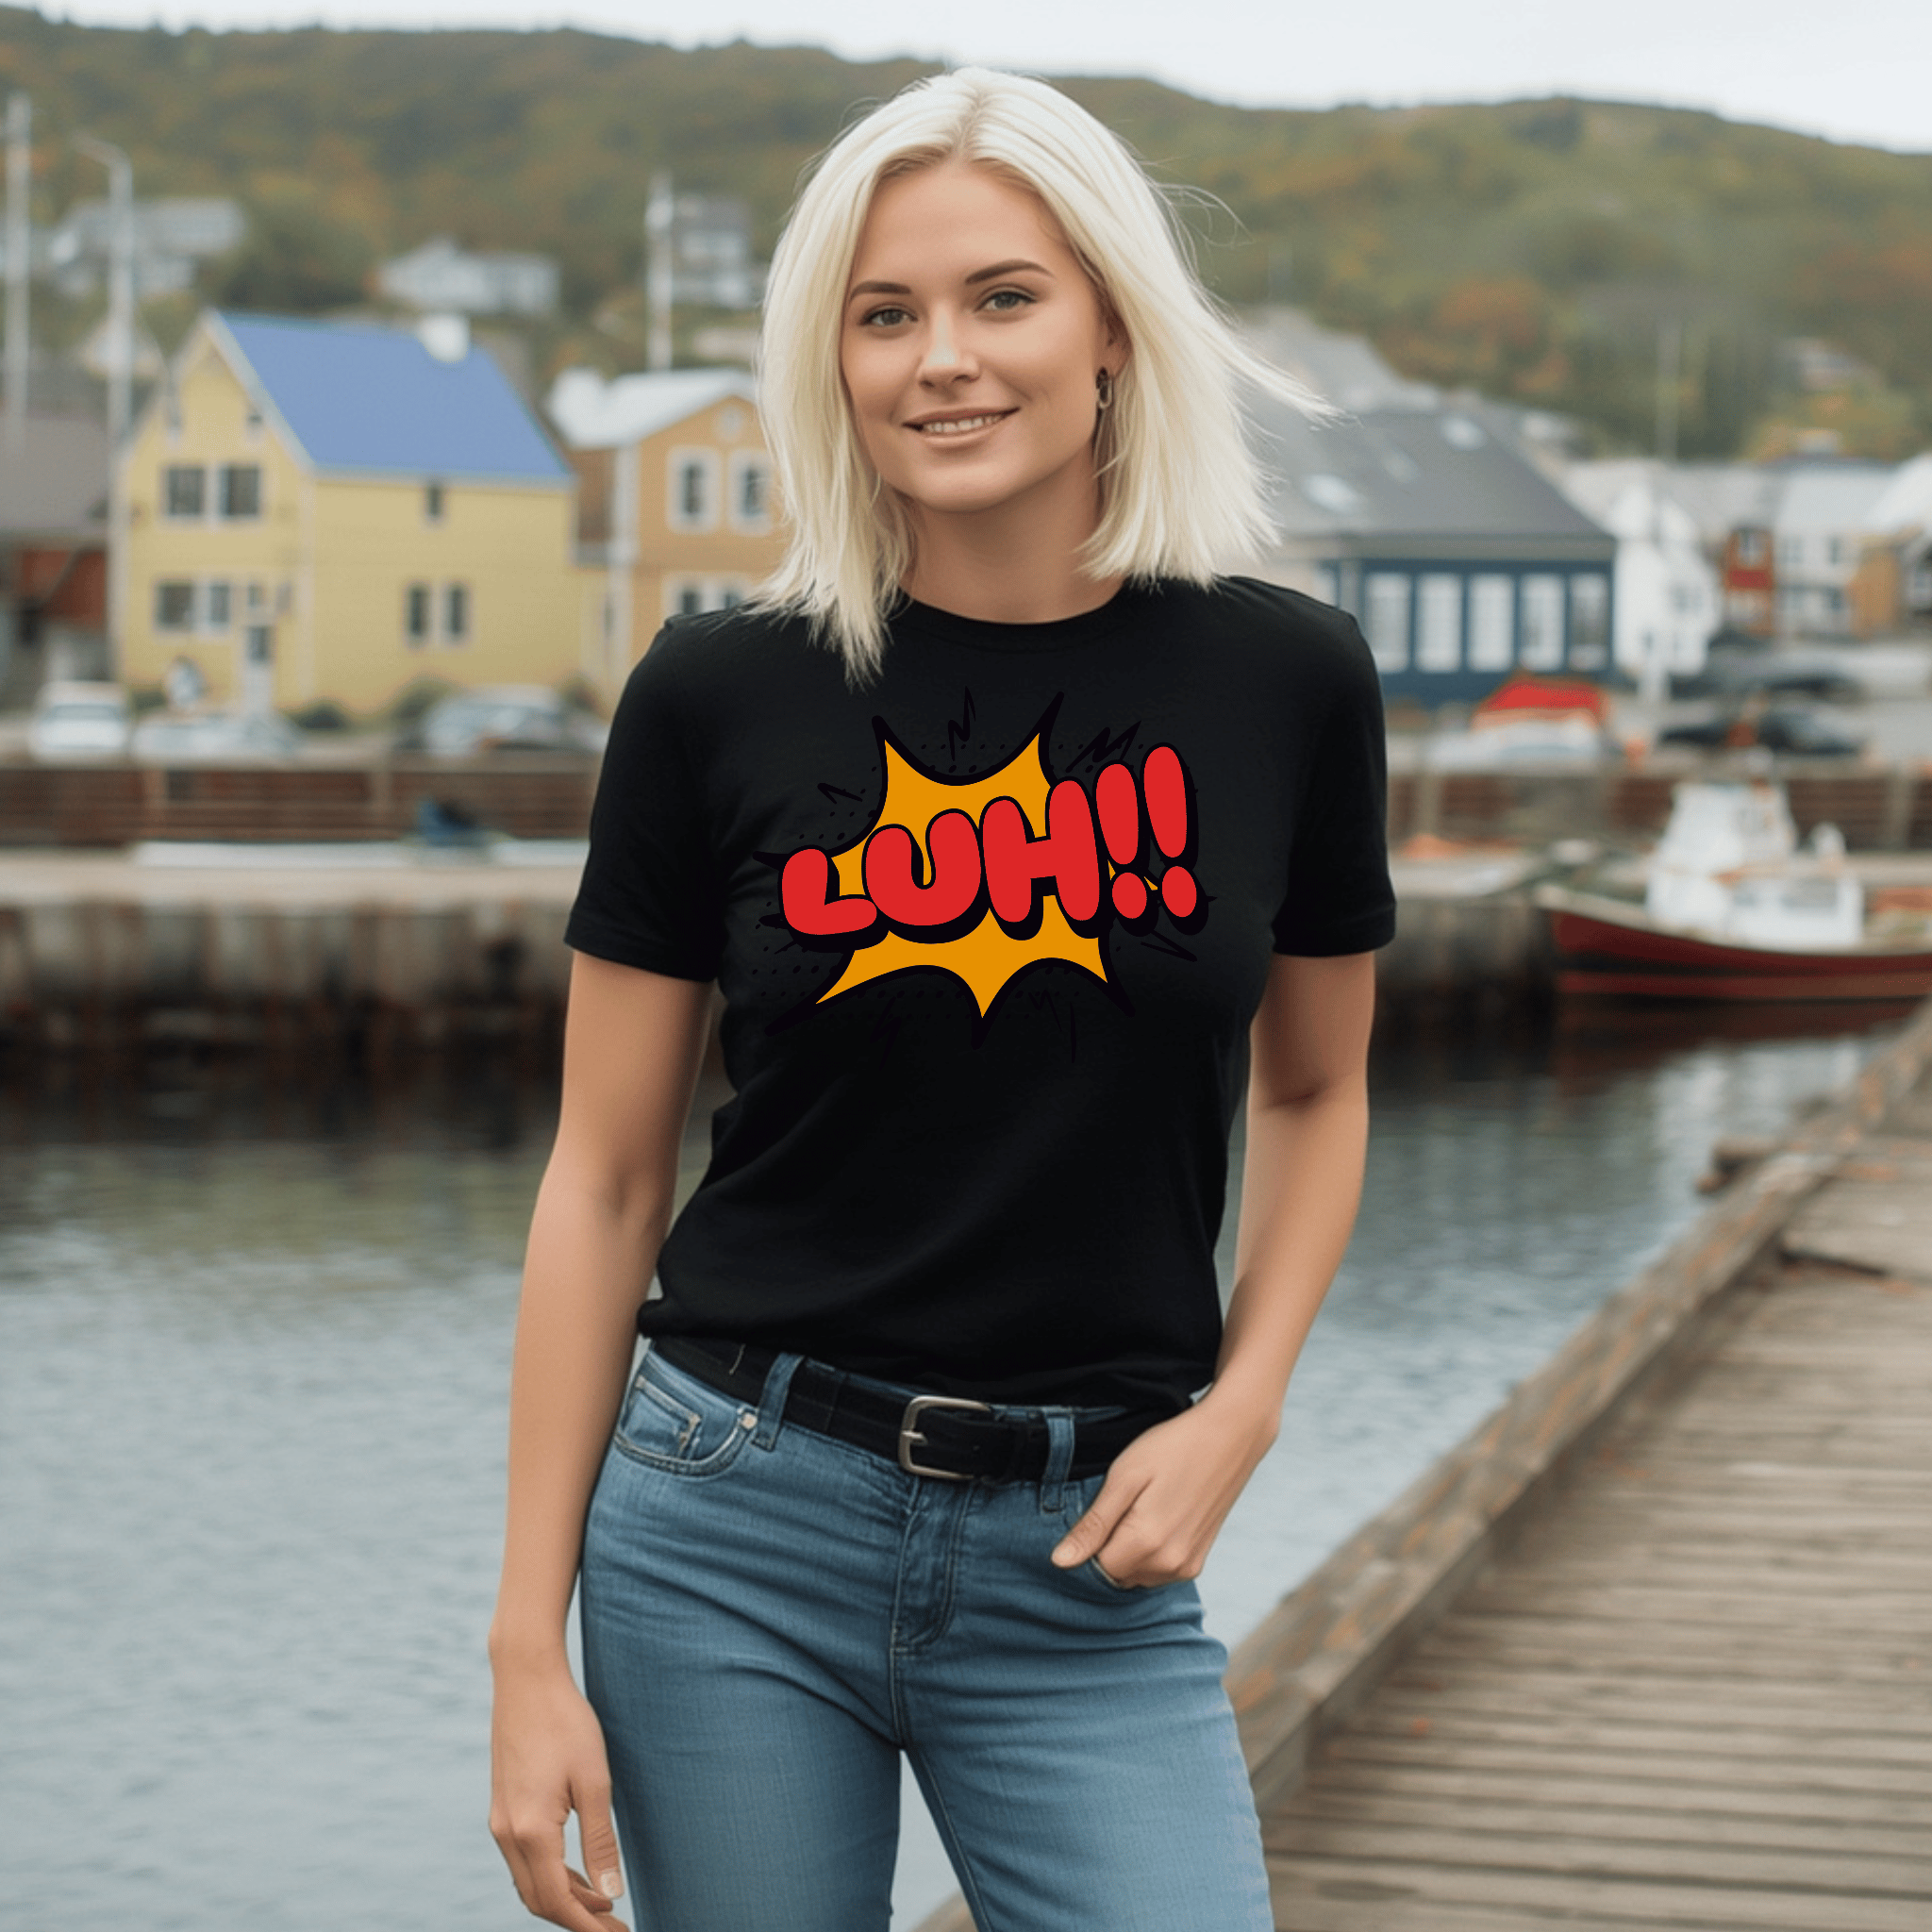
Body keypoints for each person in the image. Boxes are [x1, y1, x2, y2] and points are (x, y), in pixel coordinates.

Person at [489, 66, 1394, 1932]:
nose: (943, 360)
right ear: (829, 360)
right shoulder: (717, 693)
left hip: (1090, 1553)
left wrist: (1244, 1404)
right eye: (883, 314)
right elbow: (603, 1175)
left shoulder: (1286, 681)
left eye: (1003, 297)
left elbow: (1314, 1092)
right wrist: (523, 1644)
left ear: (1112, 328)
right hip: (729, 1519)